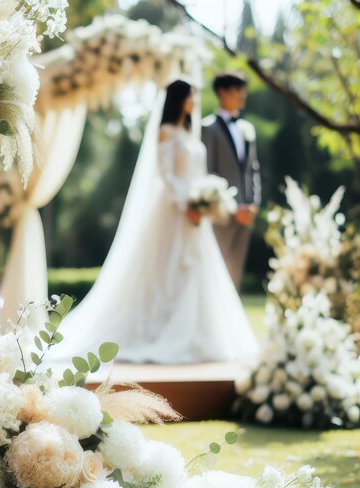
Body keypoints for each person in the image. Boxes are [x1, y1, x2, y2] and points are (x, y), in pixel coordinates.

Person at [49, 79, 258, 365]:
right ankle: (159, 329)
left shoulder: (190, 132)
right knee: (167, 269)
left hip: (196, 214)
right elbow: (166, 174)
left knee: (197, 270)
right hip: (174, 211)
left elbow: (196, 173)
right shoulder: (166, 132)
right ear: (179, 100)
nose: (194, 102)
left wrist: (206, 200)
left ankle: (197, 334)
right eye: (190, 97)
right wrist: (189, 203)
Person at [202, 71, 261, 291]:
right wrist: (233, 207)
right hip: (221, 213)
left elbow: (253, 169)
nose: (242, 95)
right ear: (222, 92)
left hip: (246, 213)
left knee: (235, 270)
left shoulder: (247, 129)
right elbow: (209, 171)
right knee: (215, 268)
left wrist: (253, 204)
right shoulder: (207, 128)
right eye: (237, 90)